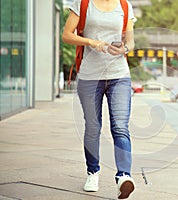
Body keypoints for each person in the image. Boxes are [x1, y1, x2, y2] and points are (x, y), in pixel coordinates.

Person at [62, 0, 135, 199]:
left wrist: (124, 50)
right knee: (93, 127)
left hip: (118, 74)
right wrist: (92, 42)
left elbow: (131, 41)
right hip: (90, 76)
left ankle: (123, 176)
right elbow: (67, 35)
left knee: (120, 126)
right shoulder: (83, 3)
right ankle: (92, 172)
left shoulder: (124, 5)